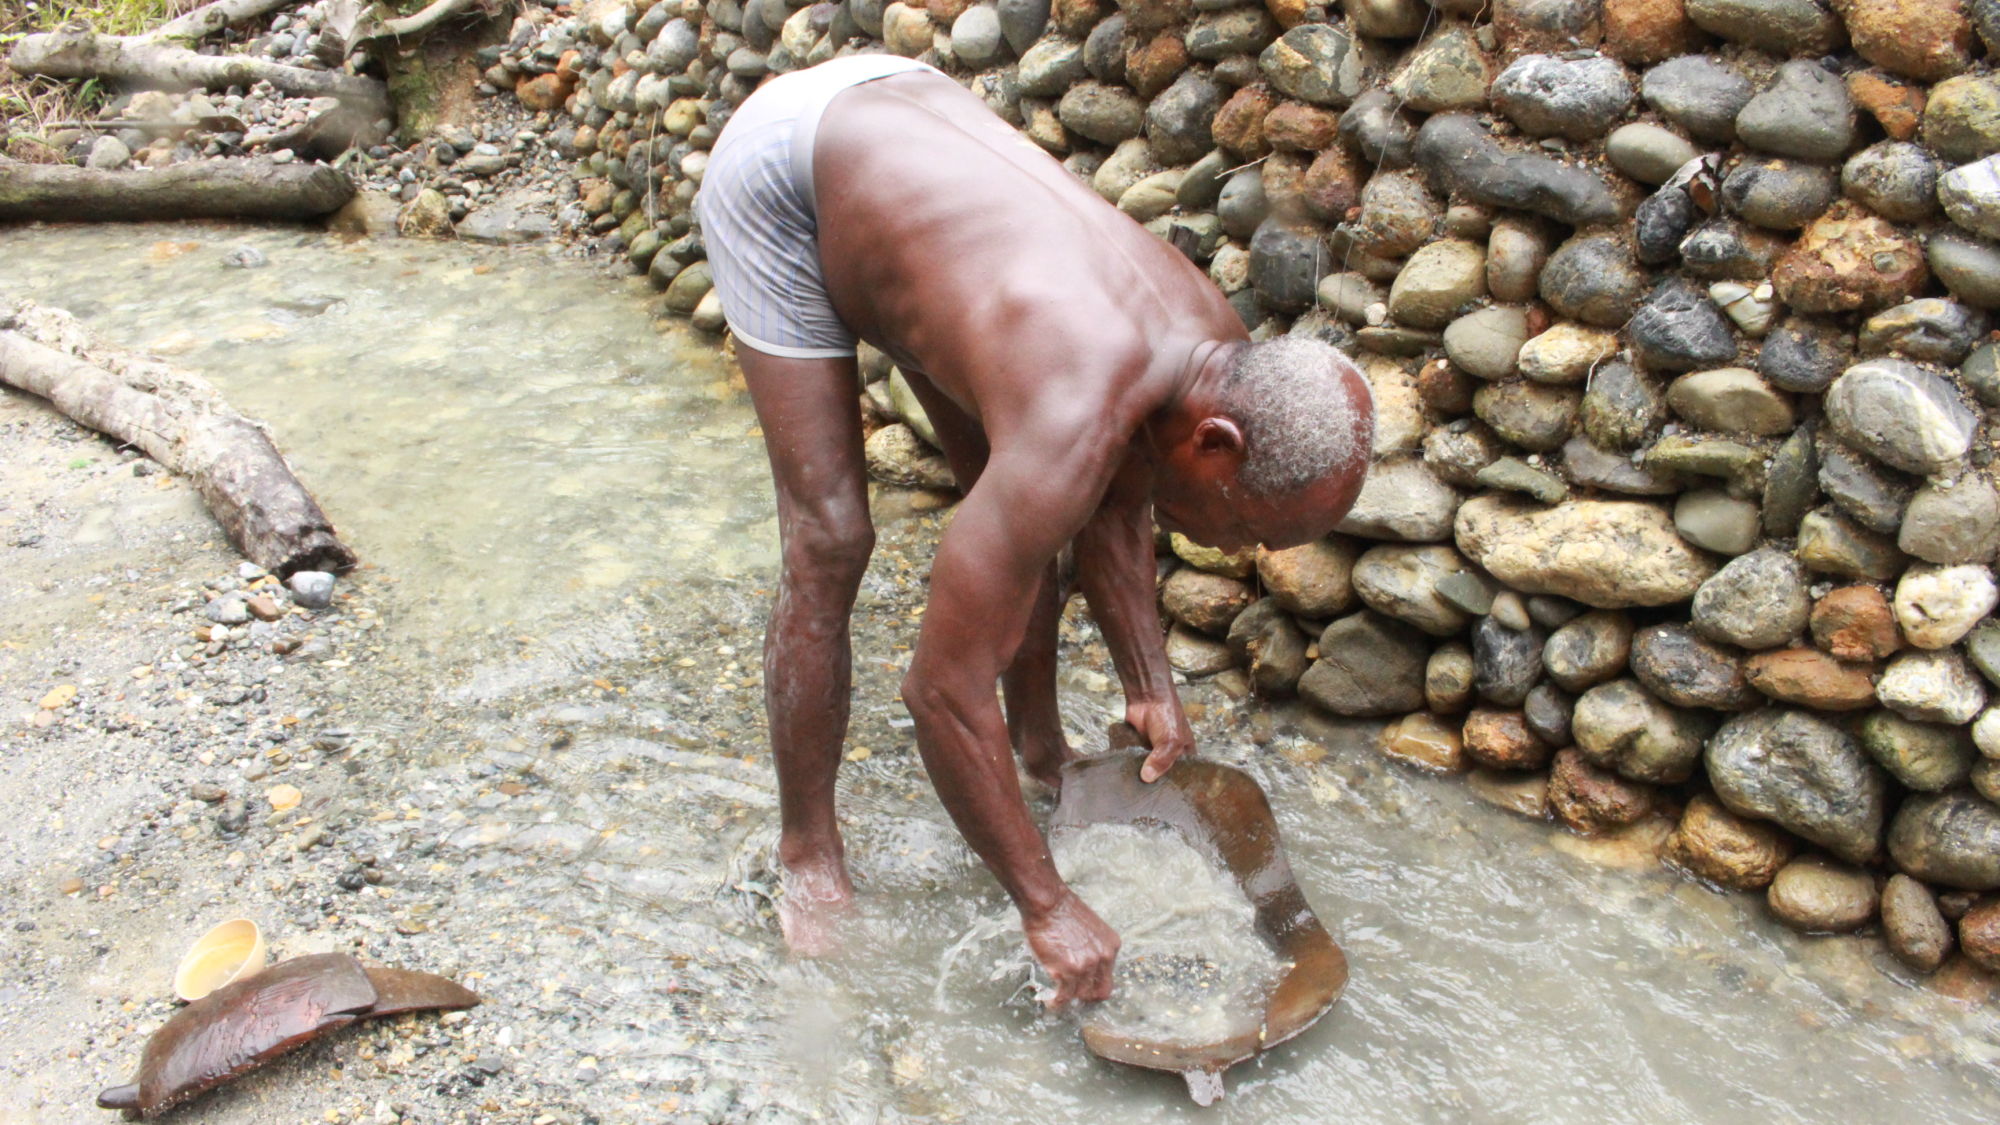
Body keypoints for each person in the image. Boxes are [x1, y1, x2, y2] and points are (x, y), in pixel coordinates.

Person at [695, 54, 1375, 1007]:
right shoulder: (1078, 410)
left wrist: (1149, 683)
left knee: (1024, 524)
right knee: (833, 539)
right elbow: (939, 691)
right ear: (1216, 443)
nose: (1240, 553)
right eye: (1247, 527)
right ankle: (807, 849)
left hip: (900, 125)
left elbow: (1119, 500)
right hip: (790, 176)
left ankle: (1041, 750)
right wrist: (1046, 905)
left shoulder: (1209, 348)